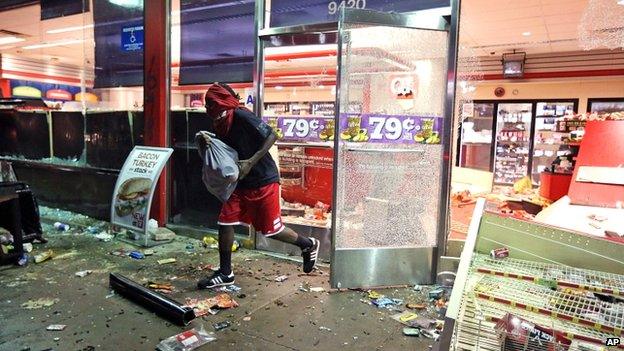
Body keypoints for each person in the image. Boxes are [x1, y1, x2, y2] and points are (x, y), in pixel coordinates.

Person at [197, 82, 320, 289]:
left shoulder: (241, 116)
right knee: (225, 222)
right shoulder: (220, 122)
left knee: (271, 230)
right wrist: (209, 143)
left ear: (221, 102)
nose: (208, 109)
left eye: (211, 104)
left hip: (263, 179)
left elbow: (272, 135)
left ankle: (308, 244)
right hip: (240, 182)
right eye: (206, 104)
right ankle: (226, 272)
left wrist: (250, 162)